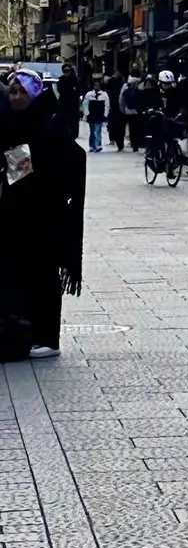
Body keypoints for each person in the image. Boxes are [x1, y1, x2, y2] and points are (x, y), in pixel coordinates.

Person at [0, 69, 86, 357]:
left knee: (44, 272)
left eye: (21, 92)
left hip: (45, 212)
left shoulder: (49, 122)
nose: (15, 97)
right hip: (18, 210)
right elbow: (15, 170)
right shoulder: (15, 122)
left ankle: (48, 338)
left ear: (35, 94)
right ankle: (24, 332)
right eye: (12, 92)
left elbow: (66, 162)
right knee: (21, 272)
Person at [119, 73, 145, 151]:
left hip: (131, 111)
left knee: (133, 129)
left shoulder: (130, 91)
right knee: (134, 129)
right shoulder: (135, 92)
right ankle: (135, 145)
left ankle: (134, 144)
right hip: (132, 112)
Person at [82, 80, 108, 153]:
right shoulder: (89, 94)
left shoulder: (104, 95)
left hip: (100, 114)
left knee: (98, 130)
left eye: (98, 85)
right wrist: (87, 114)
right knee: (92, 131)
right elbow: (85, 104)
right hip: (91, 115)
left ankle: (98, 145)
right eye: (95, 85)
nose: (97, 86)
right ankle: (92, 145)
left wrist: (105, 115)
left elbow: (107, 105)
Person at [55, 66, 81, 141]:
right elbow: (58, 91)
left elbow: (79, 91)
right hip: (64, 105)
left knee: (74, 123)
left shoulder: (76, 80)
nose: (66, 72)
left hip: (74, 105)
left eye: (68, 71)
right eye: (64, 71)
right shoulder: (60, 80)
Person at [105, 73, 125, 152]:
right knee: (120, 128)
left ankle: (115, 141)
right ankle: (120, 144)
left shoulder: (109, 92)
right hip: (120, 111)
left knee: (114, 127)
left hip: (113, 111)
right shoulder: (121, 88)